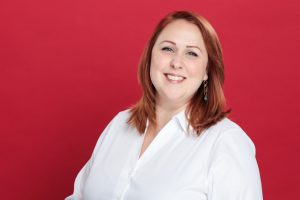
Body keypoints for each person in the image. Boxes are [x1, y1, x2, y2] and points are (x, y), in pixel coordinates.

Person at [66, 10, 263, 200]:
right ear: (150, 56)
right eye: (168, 49)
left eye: (192, 53)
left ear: (207, 71)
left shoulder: (225, 142)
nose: (177, 62)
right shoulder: (120, 124)